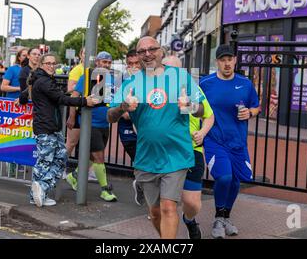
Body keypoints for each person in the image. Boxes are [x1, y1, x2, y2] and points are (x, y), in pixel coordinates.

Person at [107, 37, 205, 239]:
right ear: (137, 55)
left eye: (152, 49)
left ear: (161, 51)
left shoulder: (181, 76)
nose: (147, 54)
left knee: (169, 207)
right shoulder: (131, 83)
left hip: (176, 155)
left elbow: (201, 110)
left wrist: (190, 105)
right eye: (142, 51)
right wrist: (123, 107)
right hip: (147, 157)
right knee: (155, 212)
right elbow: (110, 116)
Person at [18, 53, 99, 207]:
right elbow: (61, 98)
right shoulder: (43, 81)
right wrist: (84, 101)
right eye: (48, 63)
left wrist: (21, 99)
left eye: (53, 63)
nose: (51, 66)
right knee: (46, 162)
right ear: (42, 65)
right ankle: (40, 190)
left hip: (51, 127)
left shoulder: (42, 80)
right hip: (46, 128)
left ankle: (39, 193)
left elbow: (28, 93)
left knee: (58, 160)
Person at [199, 44, 260, 239]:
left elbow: (256, 107)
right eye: (222, 60)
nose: (227, 63)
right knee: (223, 177)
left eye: (230, 59)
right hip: (214, 140)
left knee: (235, 181)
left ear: (235, 60)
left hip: (238, 142)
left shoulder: (245, 84)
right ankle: (218, 218)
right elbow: (193, 108)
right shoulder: (205, 83)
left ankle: (226, 217)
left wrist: (249, 113)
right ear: (217, 62)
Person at [162, 55, 215, 239]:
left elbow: (209, 115)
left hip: (191, 149)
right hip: (164, 151)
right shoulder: (154, 92)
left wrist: (202, 133)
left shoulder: (192, 90)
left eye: (176, 70)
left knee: (192, 203)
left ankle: (189, 219)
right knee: (167, 204)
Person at [66, 51, 118, 202]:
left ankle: (73, 176)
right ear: (97, 63)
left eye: (109, 62)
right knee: (99, 156)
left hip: (104, 122)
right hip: (90, 123)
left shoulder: (112, 79)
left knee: (91, 156)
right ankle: (105, 190)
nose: (106, 65)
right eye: (103, 62)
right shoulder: (87, 77)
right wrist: (72, 116)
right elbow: (74, 96)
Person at [65, 47, 97, 182]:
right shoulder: (77, 70)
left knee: (92, 144)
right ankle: (59, 167)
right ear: (81, 55)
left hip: (90, 111)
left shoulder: (95, 71)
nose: (89, 56)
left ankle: (88, 171)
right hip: (77, 109)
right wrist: (72, 116)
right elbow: (70, 90)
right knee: (71, 143)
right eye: (85, 53)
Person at [118, 50, 143, 205]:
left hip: (146, 131)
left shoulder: (150, 81)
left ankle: (142, 187)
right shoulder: (121, 82)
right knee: (140, 162)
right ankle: (141, 185)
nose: (133, 67)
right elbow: (123, 113)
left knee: (145, 164)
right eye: (130, 64)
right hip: (128, 132)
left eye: (136, 64)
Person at [1, 48, 28, 176]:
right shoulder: (13, 69)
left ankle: (20, 160)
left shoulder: (33, 71)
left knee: (23, 134)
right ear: (19, 57)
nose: (27, 57)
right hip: (13, 105)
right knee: (12, 133)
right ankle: (10, 161)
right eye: (24, 55)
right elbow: (3, 86)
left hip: (27, 107)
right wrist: (20, 88)